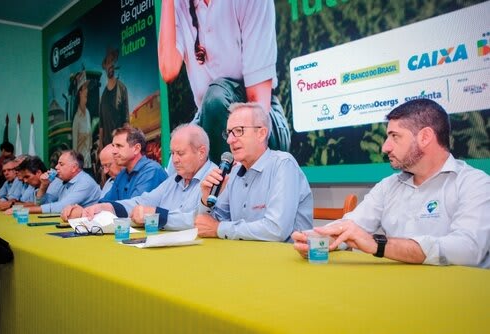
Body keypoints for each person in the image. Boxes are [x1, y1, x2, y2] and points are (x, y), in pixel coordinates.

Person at [292, 99, 490, 268]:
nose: (385, 147)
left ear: (425, 137)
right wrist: (316, 239)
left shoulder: (475, 184)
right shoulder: (388, 186)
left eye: (395, 136)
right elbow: (351, 227)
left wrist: (379, 245)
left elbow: (469, 250)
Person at [158, 0, 290, 164]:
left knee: (215, 98)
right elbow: (168, 69)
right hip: (209, 120)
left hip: (261, 121)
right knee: (176, 165)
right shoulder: (180, 4)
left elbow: (258, 104)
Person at [62, 124, 216, 231]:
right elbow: (142, 202)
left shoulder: (216, 179)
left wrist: (155, 215)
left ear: (201, 152)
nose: (174, 160)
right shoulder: (174, 179)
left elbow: (201, 221)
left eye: (180, 154)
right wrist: (101, 208)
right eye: (172, 154)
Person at [195, 102, 312, 241]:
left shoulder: (283, 164)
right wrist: (205, 200)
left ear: (261, 133)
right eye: (229, 133)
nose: (230, 140)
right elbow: (208, 224)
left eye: (238, 131)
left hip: (285, 257)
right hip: (245, 256)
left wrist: (219, 229)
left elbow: (276, 230)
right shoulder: (234, 173)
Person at [60, 126, 167, 219]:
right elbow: (104, 204)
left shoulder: (152, 171)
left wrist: (89, 212)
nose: (114, 151)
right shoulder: (122, 174)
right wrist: (84, 211)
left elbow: (134, 211)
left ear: (136, 148)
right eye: (113, 146)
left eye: (119, 146)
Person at [7, 151, 101, 214]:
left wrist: (22, 210)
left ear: (74, 167)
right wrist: (43, 185)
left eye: (61, 164)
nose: (56, 167)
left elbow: (61, 207)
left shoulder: (85, 182)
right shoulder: (63, 181)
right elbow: (42, 204)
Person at [98, 48, 129, 150]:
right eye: (108, 62)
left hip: (119, 146)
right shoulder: (103, 96)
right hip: (107, 147)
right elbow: (101, 124)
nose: (110, 64)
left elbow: (126, 119)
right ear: (105, 66)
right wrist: (100, 144)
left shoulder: (122, 88)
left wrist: (125, 144)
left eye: (113, 61)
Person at [72, 71, 92, 169]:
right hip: (80, 166)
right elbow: (75, 148)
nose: (87, 90)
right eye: (85, 88)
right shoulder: (77, 118)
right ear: (80, 92)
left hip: (88, 163)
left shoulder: (87, 113)